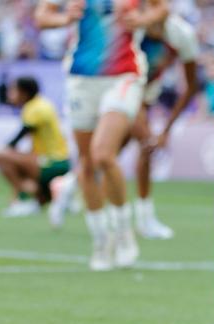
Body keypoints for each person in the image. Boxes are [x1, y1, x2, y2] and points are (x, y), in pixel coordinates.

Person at [35, 0, 168, 271]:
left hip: (124, 77)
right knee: (86, 163)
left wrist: (143, 20)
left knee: (103, 154)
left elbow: (161, 8)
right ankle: (101, 240)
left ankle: (123, 230)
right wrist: (64, 19)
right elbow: (42, 16)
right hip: (81, 80)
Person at [130, 13, 199, 239]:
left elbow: (190, 87)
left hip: (146, 95)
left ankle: (68, 186)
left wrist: (167, 129)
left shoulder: (183, 35)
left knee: (111, 150)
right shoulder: (131, 25)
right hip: (119, 89)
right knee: (146, 143)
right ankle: (144, 218)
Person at [0, 76, 71, 218]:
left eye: (13, 90)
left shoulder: (34, 108)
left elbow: (17, 139)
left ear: (24, 92)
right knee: (16, 158)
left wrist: (6, 148)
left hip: (52, 162)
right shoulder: (41, 104)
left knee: (1, 155)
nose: (9, 94)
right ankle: (56, 196)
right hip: (59, 160)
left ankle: (26, 199)